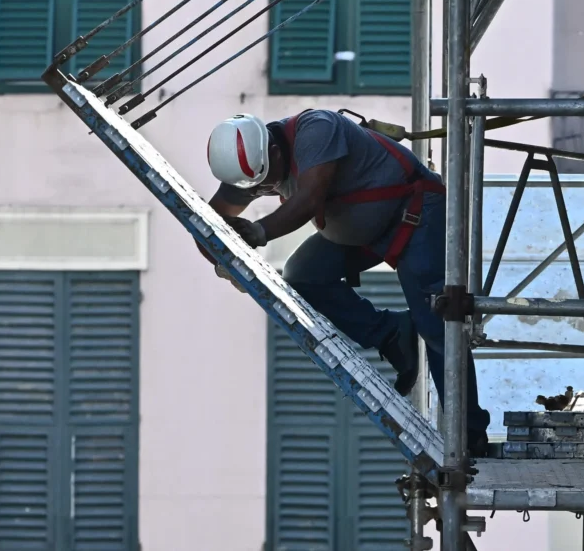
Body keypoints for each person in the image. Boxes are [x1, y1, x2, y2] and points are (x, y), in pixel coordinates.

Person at [199, 108, 491, 456]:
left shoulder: (315, 130)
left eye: (265, 181)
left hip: (413, 216)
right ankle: (392, 333)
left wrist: (260, 231)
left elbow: (308, 199)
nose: (263, 190)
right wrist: (224, 258)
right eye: (255, 188)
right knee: (303, 277)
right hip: (361, 232)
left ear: (273, 151)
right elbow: (208, 224)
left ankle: (469, 434)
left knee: (438, 323)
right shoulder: (251, 169)